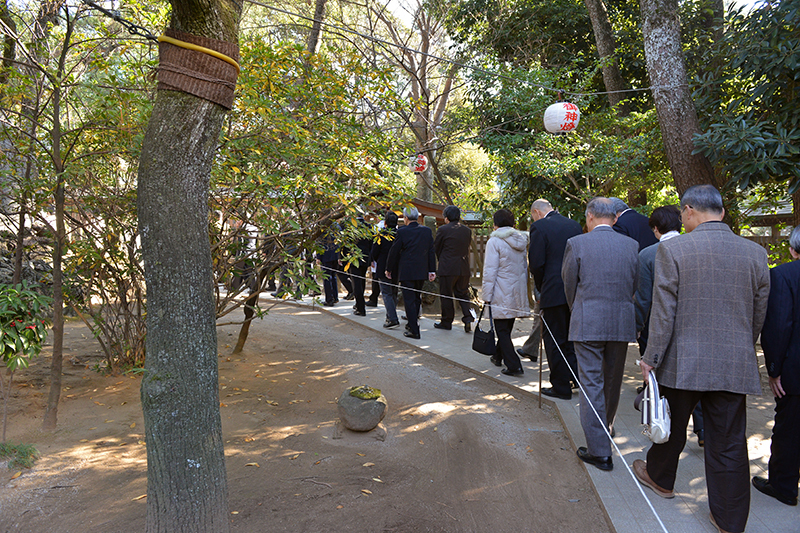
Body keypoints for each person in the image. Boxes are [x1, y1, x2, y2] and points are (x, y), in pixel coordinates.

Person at [634, 185, 770, 533]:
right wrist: (743, 344)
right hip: (732, 360)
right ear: (722, 212)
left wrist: (651, 357)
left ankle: (661, 479)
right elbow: (759, 312)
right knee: (728, 442)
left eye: (683, 213)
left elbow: (664, 313)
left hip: (683, 360)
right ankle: (729, 520)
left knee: (672, 427)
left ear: (689, 210)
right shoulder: (754, 253)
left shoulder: (675, 250)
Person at [561, 197, 639, 471]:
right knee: (612, 380)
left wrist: (578, 309)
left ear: (589, 216)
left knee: (591, 382)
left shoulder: (577, 243)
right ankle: (606, 428)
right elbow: (634, 283)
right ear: (615, 218)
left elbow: (569, 283)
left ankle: (599, 449)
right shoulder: (631, 245)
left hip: (587, 320)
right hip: (620, 321)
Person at [633, 205, 706, 446]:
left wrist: (637, 325)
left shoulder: (647, 254)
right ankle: (702, 428)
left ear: (655, 229)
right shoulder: (696, 248)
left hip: (657, 324)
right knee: (694, 378)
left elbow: (643, 298)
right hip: (692, 324)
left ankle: (660, 423)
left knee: (658, 380)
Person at [752, 225, 800, 507]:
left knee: (789, 429)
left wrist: (773, 369)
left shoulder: (783, 275)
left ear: (793, 249)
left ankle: (783, 485)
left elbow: (779, 326)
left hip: (795, 369)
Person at [527, 198, 583, 399]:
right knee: (571, 338)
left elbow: (536, 263)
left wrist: (541, 288)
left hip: (553, 290)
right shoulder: (574, 225)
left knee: (553, 339)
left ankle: (561, 386)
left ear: (537, 212)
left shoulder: (539, 227)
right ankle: (576, 378)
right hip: (575, 290)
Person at [481, 209, 530, 377]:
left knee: (502, 329)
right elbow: (524, 267)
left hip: (501, 290)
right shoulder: (521, 240)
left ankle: (513, 364)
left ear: (495, 224)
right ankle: (497, 355)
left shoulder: (494, 241)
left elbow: (490, 271)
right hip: (516, 290)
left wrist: (486, 296)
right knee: (506, 327)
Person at [385, 207, 436, 340]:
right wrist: (432, 270)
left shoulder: (402, 232)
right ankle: (412, 324)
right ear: (418, 218)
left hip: (407, 271)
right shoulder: (426, 231)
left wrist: (388, 269)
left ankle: (414, 330)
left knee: (409, 300)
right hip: (421, 270)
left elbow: (394, 251)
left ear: (405, 218)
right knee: (416, 297)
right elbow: (431, 251)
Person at [433, 205, 474, 332]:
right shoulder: (466, 230)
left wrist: (442, 259)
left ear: (446, 217)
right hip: (463, 266)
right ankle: (468, 318)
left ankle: (446, 321)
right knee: (463, 294)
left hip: (447, 266)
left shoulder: (443, 229)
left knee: (446, 294)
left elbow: (437, 248)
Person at [370, 211, 400, 328]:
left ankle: (392, 319)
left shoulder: (381, 234)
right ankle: (390, 316)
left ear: (385, 223)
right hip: (397, 267)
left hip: (383, 266)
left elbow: (374, 252)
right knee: (393, 292)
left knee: (386, 293)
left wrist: (378, 260)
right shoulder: (400, 234)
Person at [347, 216, 373, 316]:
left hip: (354, 258)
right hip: (365, 257)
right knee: (362, 280)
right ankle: (359, 303)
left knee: (356, 283)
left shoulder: (351, 226)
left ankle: (360, 307)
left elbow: (346, 244)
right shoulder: (368, 226)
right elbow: (371, 244)